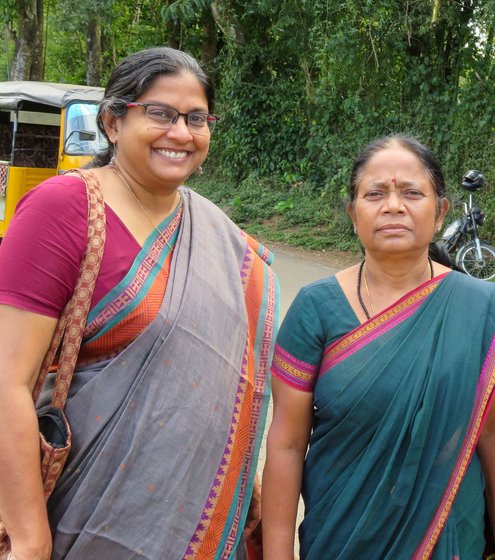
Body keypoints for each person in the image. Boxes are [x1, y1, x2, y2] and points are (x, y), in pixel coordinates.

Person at [0, 47, 278, 560]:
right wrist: (29, 538)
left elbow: (223, 393)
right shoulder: (63, 209)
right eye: (160, 113)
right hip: (73, 518)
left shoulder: (223, 238)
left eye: (196, 118)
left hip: (191, 517)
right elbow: (6, 383)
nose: (181, 133)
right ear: (112, 121)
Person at [261, 134, 495, 559]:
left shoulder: (481, 308)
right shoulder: (315, 308)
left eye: (411, 193)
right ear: (353, 214)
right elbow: (287, 444)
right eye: (375, 194)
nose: (393, 206)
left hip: (449, 540)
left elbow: (490, 437)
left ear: (440, 212)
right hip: (341, 536)